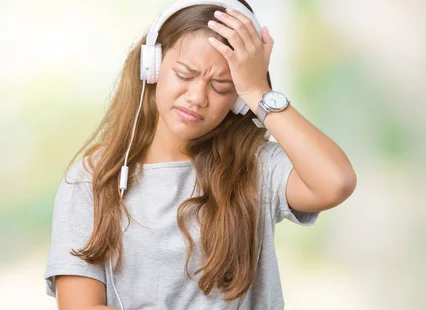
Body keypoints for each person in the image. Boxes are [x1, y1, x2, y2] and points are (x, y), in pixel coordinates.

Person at [44, 0, 356, 309]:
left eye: (221, 86)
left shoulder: (257, 166)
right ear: (151, 66)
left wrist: (258, 91)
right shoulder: (93, 178)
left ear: (237, 99)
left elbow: (336, 182)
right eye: (185, 74)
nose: (197, 98)